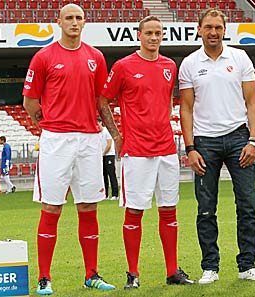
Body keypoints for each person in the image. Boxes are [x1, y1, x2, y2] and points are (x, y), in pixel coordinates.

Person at [22, 4, 115, 295]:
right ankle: (44, 277)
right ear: (58, 22)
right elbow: (30, 102)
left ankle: (91, 274)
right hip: (56, 140)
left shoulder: (96, 57)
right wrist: (47, 125)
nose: (74, 22)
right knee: (52, 206)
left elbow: (102, 101)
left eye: (79, 18)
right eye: (69, 18)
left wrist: (114, 134)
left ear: (84, 23)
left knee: (88, 206)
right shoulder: (43, 57)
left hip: (89, 138)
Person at [99, 15, 194, 289]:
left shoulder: (169, 66)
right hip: (137, 151)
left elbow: (165, 102)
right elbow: (103, 101)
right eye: (149, 33)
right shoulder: (123, 66)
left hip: (165, 149)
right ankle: (132, 273)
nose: (154, 37)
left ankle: (172, 271)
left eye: (158, 33)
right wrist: (117, 135)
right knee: (135, 211)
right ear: (138, 35)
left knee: (169, 210)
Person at [179, 8, 255, 284]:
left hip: (239, 137)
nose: (214, 32)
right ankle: (210, 267)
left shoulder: (239, 57)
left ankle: (247, 265)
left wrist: (253, 140)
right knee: (206, 207)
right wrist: (190, 147)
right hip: (204, 143)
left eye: (218, 27)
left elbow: (253, 102)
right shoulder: (190, 63)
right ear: (199, 29)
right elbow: (186, 108)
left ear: (224, 29)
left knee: (248, 205)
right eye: (208, 27)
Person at [98, 118, 119, 200]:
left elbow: (109, 144)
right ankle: (105, 194)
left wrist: (103, 153)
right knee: (104, 175)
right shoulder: (98, 133)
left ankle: (115, 194)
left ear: (100, 123)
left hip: (109, 155)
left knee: (111, 174)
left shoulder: (106, 131)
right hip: (102, 156)